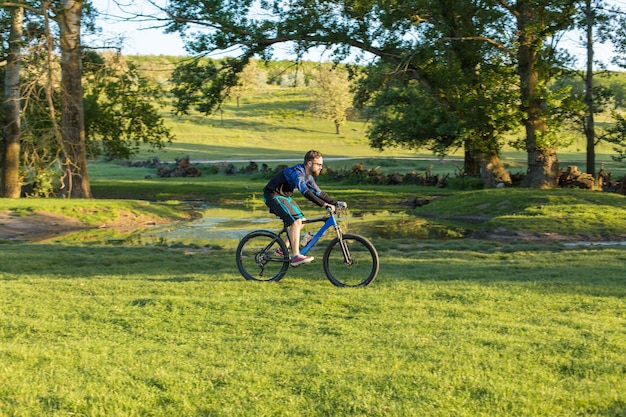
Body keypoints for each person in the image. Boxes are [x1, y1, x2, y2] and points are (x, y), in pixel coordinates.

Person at [263, 150, 345, 267]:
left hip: (284, 196)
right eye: (319, 164)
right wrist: (324, 205)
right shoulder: (298, 173)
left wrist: (336, 203)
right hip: (272, 196)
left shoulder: (308, 177)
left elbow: (319, 193)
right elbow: (305, 191)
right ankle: (296, 256)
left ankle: (282, 249)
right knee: (296, 221)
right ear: (310, 163)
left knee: (302, 221)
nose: (321, 167)